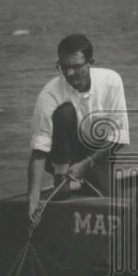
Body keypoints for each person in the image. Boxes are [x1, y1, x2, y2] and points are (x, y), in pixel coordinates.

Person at [27, 34, 129, 220]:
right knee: (64, 112)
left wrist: (87, 163)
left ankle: (90, 179)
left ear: (91, 62)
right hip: (59, 155)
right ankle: (61, 182)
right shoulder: (49, 94)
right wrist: (33, 200)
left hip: (97, 153)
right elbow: (39, 151)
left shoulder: (112, 82)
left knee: (118, 205)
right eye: (64, 67)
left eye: (76, 66)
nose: (69, 73)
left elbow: (118, 138)